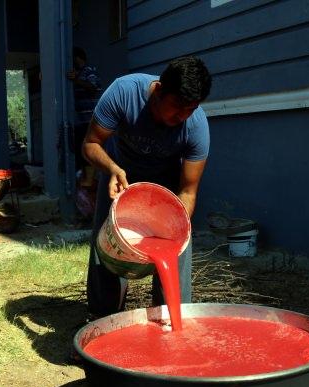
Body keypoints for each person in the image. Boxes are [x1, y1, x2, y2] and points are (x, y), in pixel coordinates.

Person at [83, 56, 212, 318]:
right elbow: (90, 144)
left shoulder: (196, 126)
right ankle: (101, 322)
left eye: (191, 108)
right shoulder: (123, 93)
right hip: (120, 182)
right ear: (160, 90)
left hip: (166, 191)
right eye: (177, 106)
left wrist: (175, 225)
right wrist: (112, 169)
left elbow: (187, 192)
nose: (183, 116)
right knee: (106, 252)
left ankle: (171, 322)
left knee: (177, 254)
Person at [68, 47, 102, 222]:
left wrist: (77, 81)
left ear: (78, 58)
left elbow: (94, 86)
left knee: (90, 151)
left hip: (91, 120)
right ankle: (86, 179)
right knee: (82, 151)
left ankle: (89, 180)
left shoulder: (89, 71)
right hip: (81, 120)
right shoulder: (77, 73)